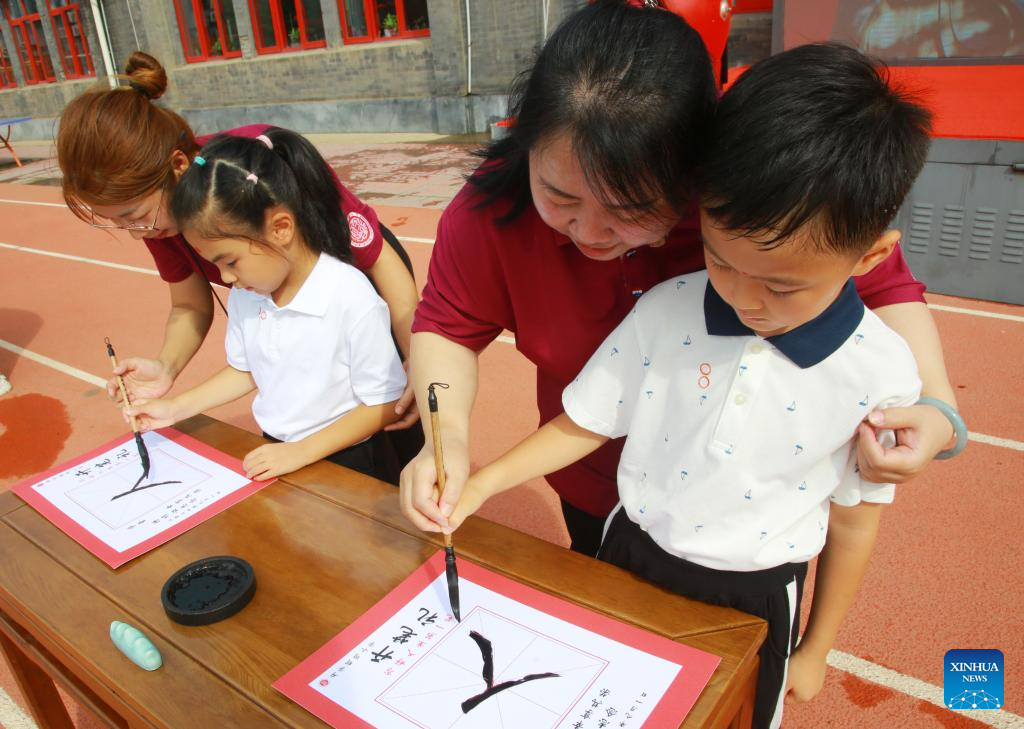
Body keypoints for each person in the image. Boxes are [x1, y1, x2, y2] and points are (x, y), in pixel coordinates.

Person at [438, 42, 942, 729]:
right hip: (629, 546)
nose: (742, 298)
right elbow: (583, 419)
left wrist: (818, 645)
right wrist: (481, 477)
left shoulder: (879, 368)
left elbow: (855, 520)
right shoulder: (671, 305)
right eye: (719, 259)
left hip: (758, 593)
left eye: (782, 286)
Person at [400, 0, 963, 556]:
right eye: (560, 196)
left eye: (632, 207)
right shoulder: (491, 210)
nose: (591, 232)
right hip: (591, 481)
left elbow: (883, 285)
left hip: (742, 512)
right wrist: (444, 439)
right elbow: (448, 327)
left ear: (697, 169)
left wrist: (937, 410)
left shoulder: (749, 207)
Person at [56, 52, 422, 440]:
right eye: (118, 223)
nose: (136, 232)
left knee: (394, 406)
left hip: (361, 272)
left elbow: (379, 260)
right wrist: (166, 366)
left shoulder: (254, 167)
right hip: (277, 293)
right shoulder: (162, 223)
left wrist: (417, 357)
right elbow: (189, 304)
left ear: (178, 166)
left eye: (134, 215)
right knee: (314, 392)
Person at [125, 130, 408, 483]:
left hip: (348, 458)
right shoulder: (249, 293)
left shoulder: (348, 294)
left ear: (280, 228)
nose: (225, 278)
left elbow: (383, 402)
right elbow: (246, 370)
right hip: (279, 450)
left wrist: (301, 452)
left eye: (230, 261)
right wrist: (175, 407)